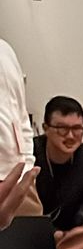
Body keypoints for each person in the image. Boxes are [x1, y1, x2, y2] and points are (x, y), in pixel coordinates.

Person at [33, 96, 83, 231]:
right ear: (45, 128)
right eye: (62, 128)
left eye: (77, 128)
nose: (70, 136)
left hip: (70, 235)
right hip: (30, 232)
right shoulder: (30, 153)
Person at [0, 39, 43, 217]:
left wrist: (27, 163)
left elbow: (20, 115)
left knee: (31, 231)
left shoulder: (5, 50)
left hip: (19, 176)